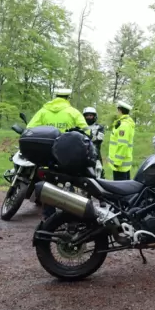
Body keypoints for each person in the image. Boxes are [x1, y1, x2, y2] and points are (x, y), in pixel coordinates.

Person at [27, 88, 90, 220]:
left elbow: (29, 129)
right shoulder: (72, 112)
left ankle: (48, 215)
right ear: (68, 98)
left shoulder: (43, 112)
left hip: (47, 153)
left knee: (49, 182)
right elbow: (87, 132)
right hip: (66, 154)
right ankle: (69, 213)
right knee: (68, 181)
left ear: (55, 96)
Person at [108, 101, 135, 180]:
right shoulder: (125, 123)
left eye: (117, 110)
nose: (117, 112)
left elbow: (122, 144)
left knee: (119, 189)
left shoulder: (124, 125)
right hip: (123, 164)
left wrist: (117, 162)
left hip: (120, 165)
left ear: (120, 111)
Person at [83, 107, 106, 179]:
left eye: (90, 115)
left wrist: (87, 137)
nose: (89, 117)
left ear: (94, 116)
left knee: (98, 172)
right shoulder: (81, 126)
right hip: (82, 153)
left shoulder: (99, 127)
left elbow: (99, 139)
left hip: (95, 154)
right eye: (87, 115)